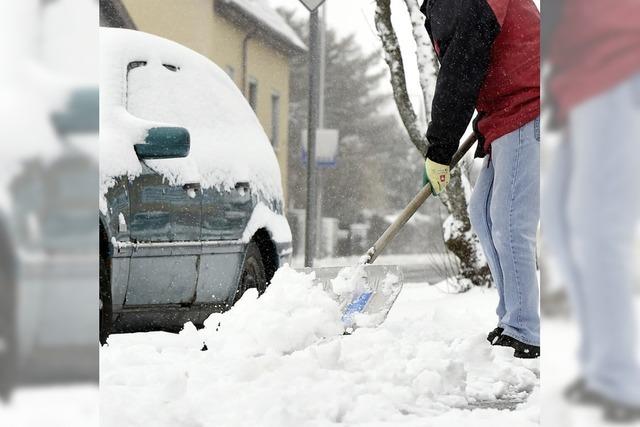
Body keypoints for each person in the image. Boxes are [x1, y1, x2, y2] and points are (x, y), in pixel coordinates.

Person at [419, 0, 540, 358]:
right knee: (484, 215)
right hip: (505, 114)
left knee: (509, 219)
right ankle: (511, 321)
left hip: (529, 106)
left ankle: (524, 331)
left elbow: (461, 69)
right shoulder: (443, 5)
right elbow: (468, 68)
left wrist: (440, 149)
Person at [543, 0, 640, 421]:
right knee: (562, 226)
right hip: (582, 82)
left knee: (598, 231)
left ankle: (619, 380)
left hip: (616, 63)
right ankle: (603, 364)